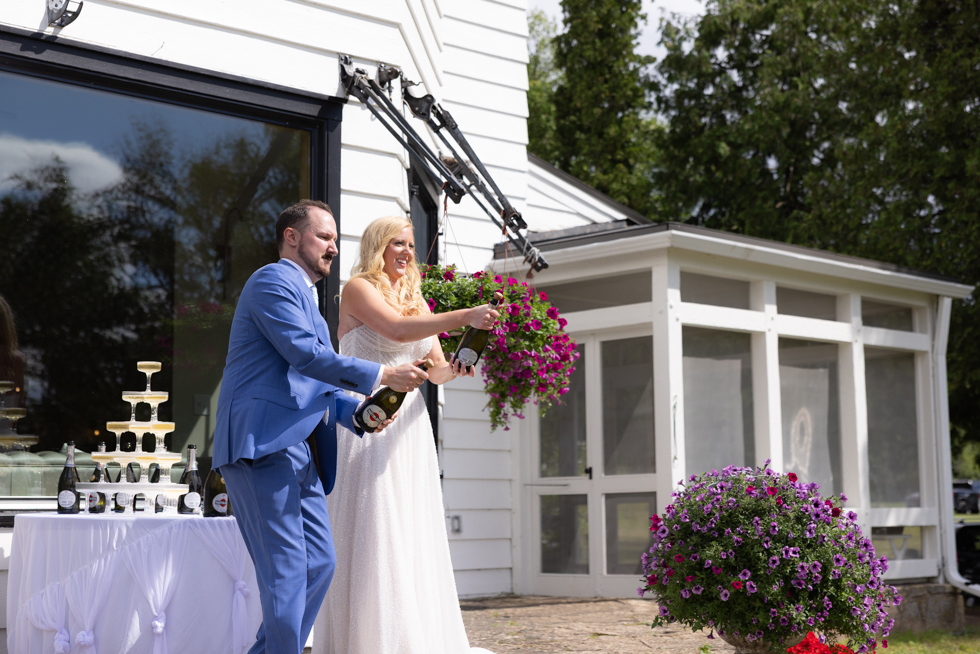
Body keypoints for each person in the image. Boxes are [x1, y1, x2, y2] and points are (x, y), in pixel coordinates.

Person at [212, 200, 429, 654]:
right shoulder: (272, 281)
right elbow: (305, 356)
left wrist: (358, 414)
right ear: (292, 237)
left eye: (334, 238)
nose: (333, 246)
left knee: (319, 564)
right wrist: (383, 374)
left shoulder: (308, 297)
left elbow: (314, 380)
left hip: (300, 448)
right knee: (288, 571)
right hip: (260, 444)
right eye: (324, 236)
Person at [316, 215, 499, 654]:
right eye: (397, 243)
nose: (407, 252)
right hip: (369, 416)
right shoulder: (358, 288)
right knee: (375, 525)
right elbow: (396, 331)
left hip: (411, 426)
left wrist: (456, 366)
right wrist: (466, 314)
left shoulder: (416, 298)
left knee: (411, 526)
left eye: (411, 245)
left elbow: (434, 370)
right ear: (377, 245)